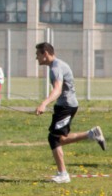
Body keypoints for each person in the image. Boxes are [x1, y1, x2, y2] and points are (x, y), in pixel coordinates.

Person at [34, 42, 106, 183]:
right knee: (60, 139)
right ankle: (92, 134)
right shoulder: (57, 65)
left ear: (45, 54)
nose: (36, 58)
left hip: (66, 106)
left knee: (54, 139)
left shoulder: (56, 68)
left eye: (37, 54)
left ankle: (63, 174)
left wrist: (44, 103)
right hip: (65, 106)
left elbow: (58, 89)